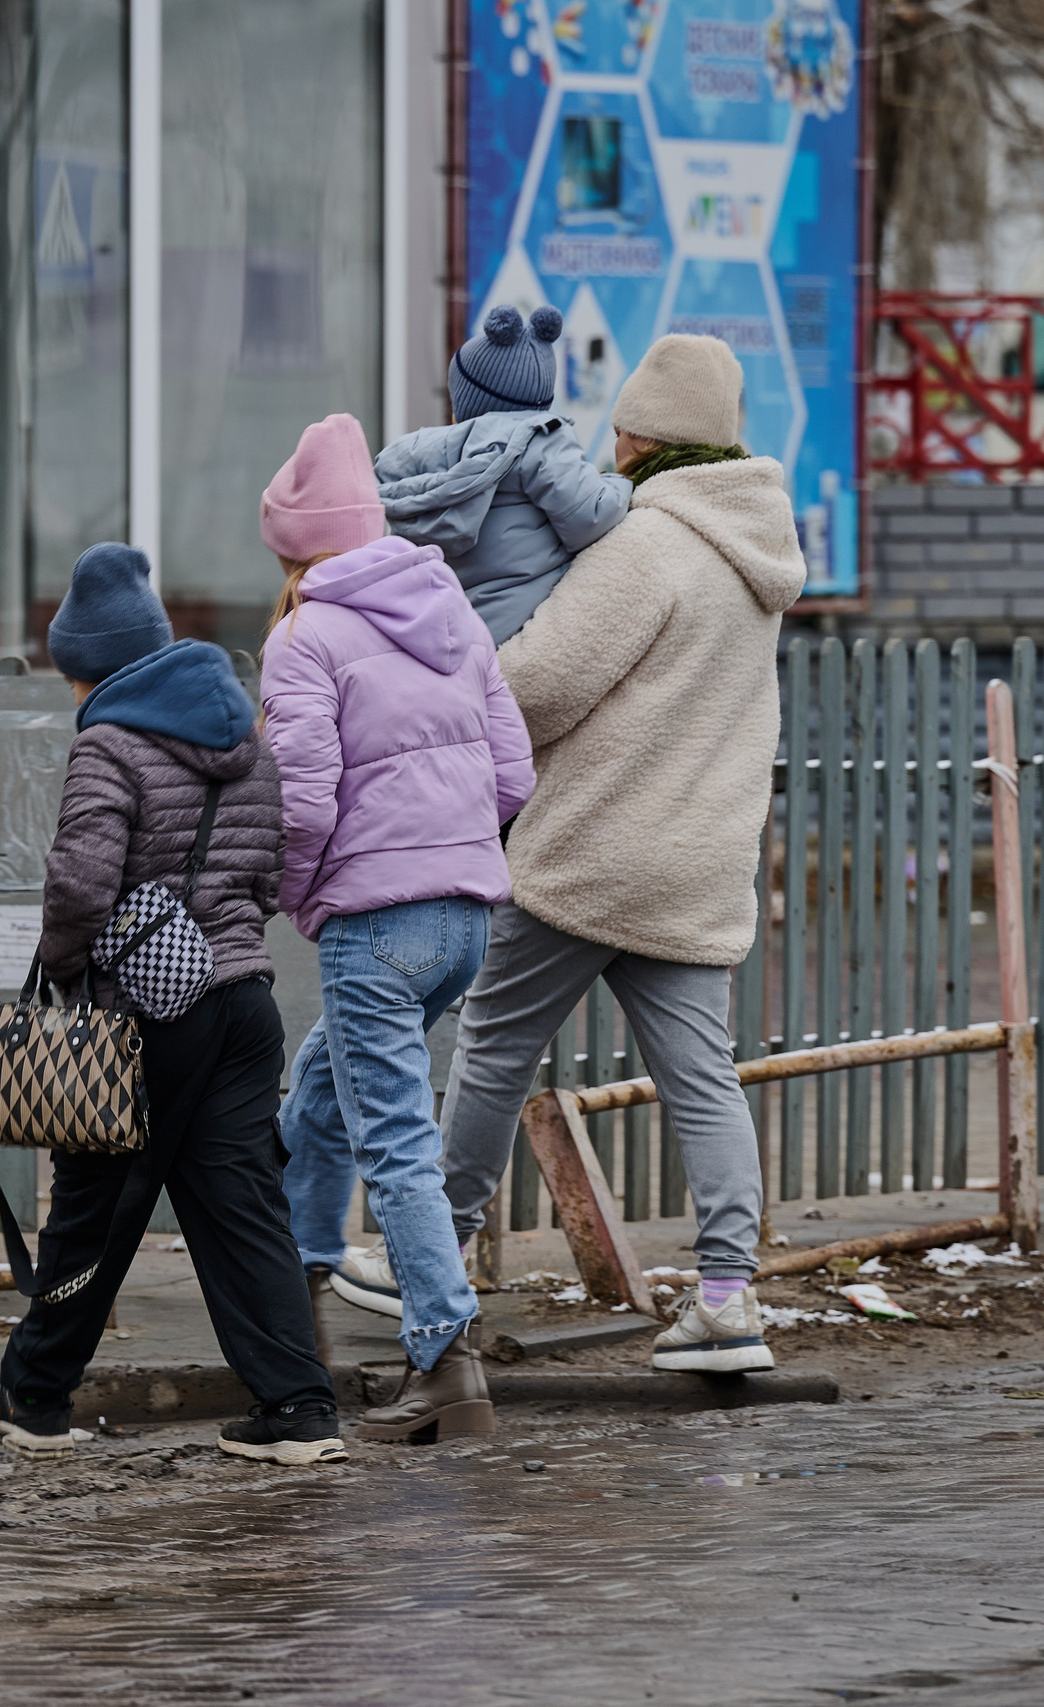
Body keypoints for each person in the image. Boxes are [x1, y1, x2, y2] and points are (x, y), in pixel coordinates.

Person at [434, 334, 805, 1373]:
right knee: (702, 1080)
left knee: (493, 1048)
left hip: (591, 856)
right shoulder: (752, 554)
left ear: (645, 434)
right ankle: (728, 1299)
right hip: (696, 863)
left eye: (623, 422)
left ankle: (437, 1252)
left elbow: (537, 686)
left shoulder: (647, 543)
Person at [0, 545, 345, 1466]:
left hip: (145, 1017)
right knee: (242, 1204)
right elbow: (266, 870)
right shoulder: (243, 739)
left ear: (88, 661)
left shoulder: (109, 743)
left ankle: (33, 1393)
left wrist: (58, 960)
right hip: (243, 1002)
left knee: (91, 1200)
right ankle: (298, 1406)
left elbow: (80, 883)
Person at [258, 415, 536, 1443]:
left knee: (393, 1142)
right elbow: (514, 775)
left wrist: (296, 894)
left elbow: (303, 802)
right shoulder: (452, 614)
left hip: (372, 924)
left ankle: (445, 1359)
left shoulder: (305, 636)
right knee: (325, 1097)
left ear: (297, 549)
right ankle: (288, 1292)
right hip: (462, 920)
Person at [372, 304, 632, 644]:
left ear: (462, 403)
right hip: (520, 635)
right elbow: (591, 517)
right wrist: (618, 481)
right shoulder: (540, 441)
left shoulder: (412, 457)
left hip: (439, 637)